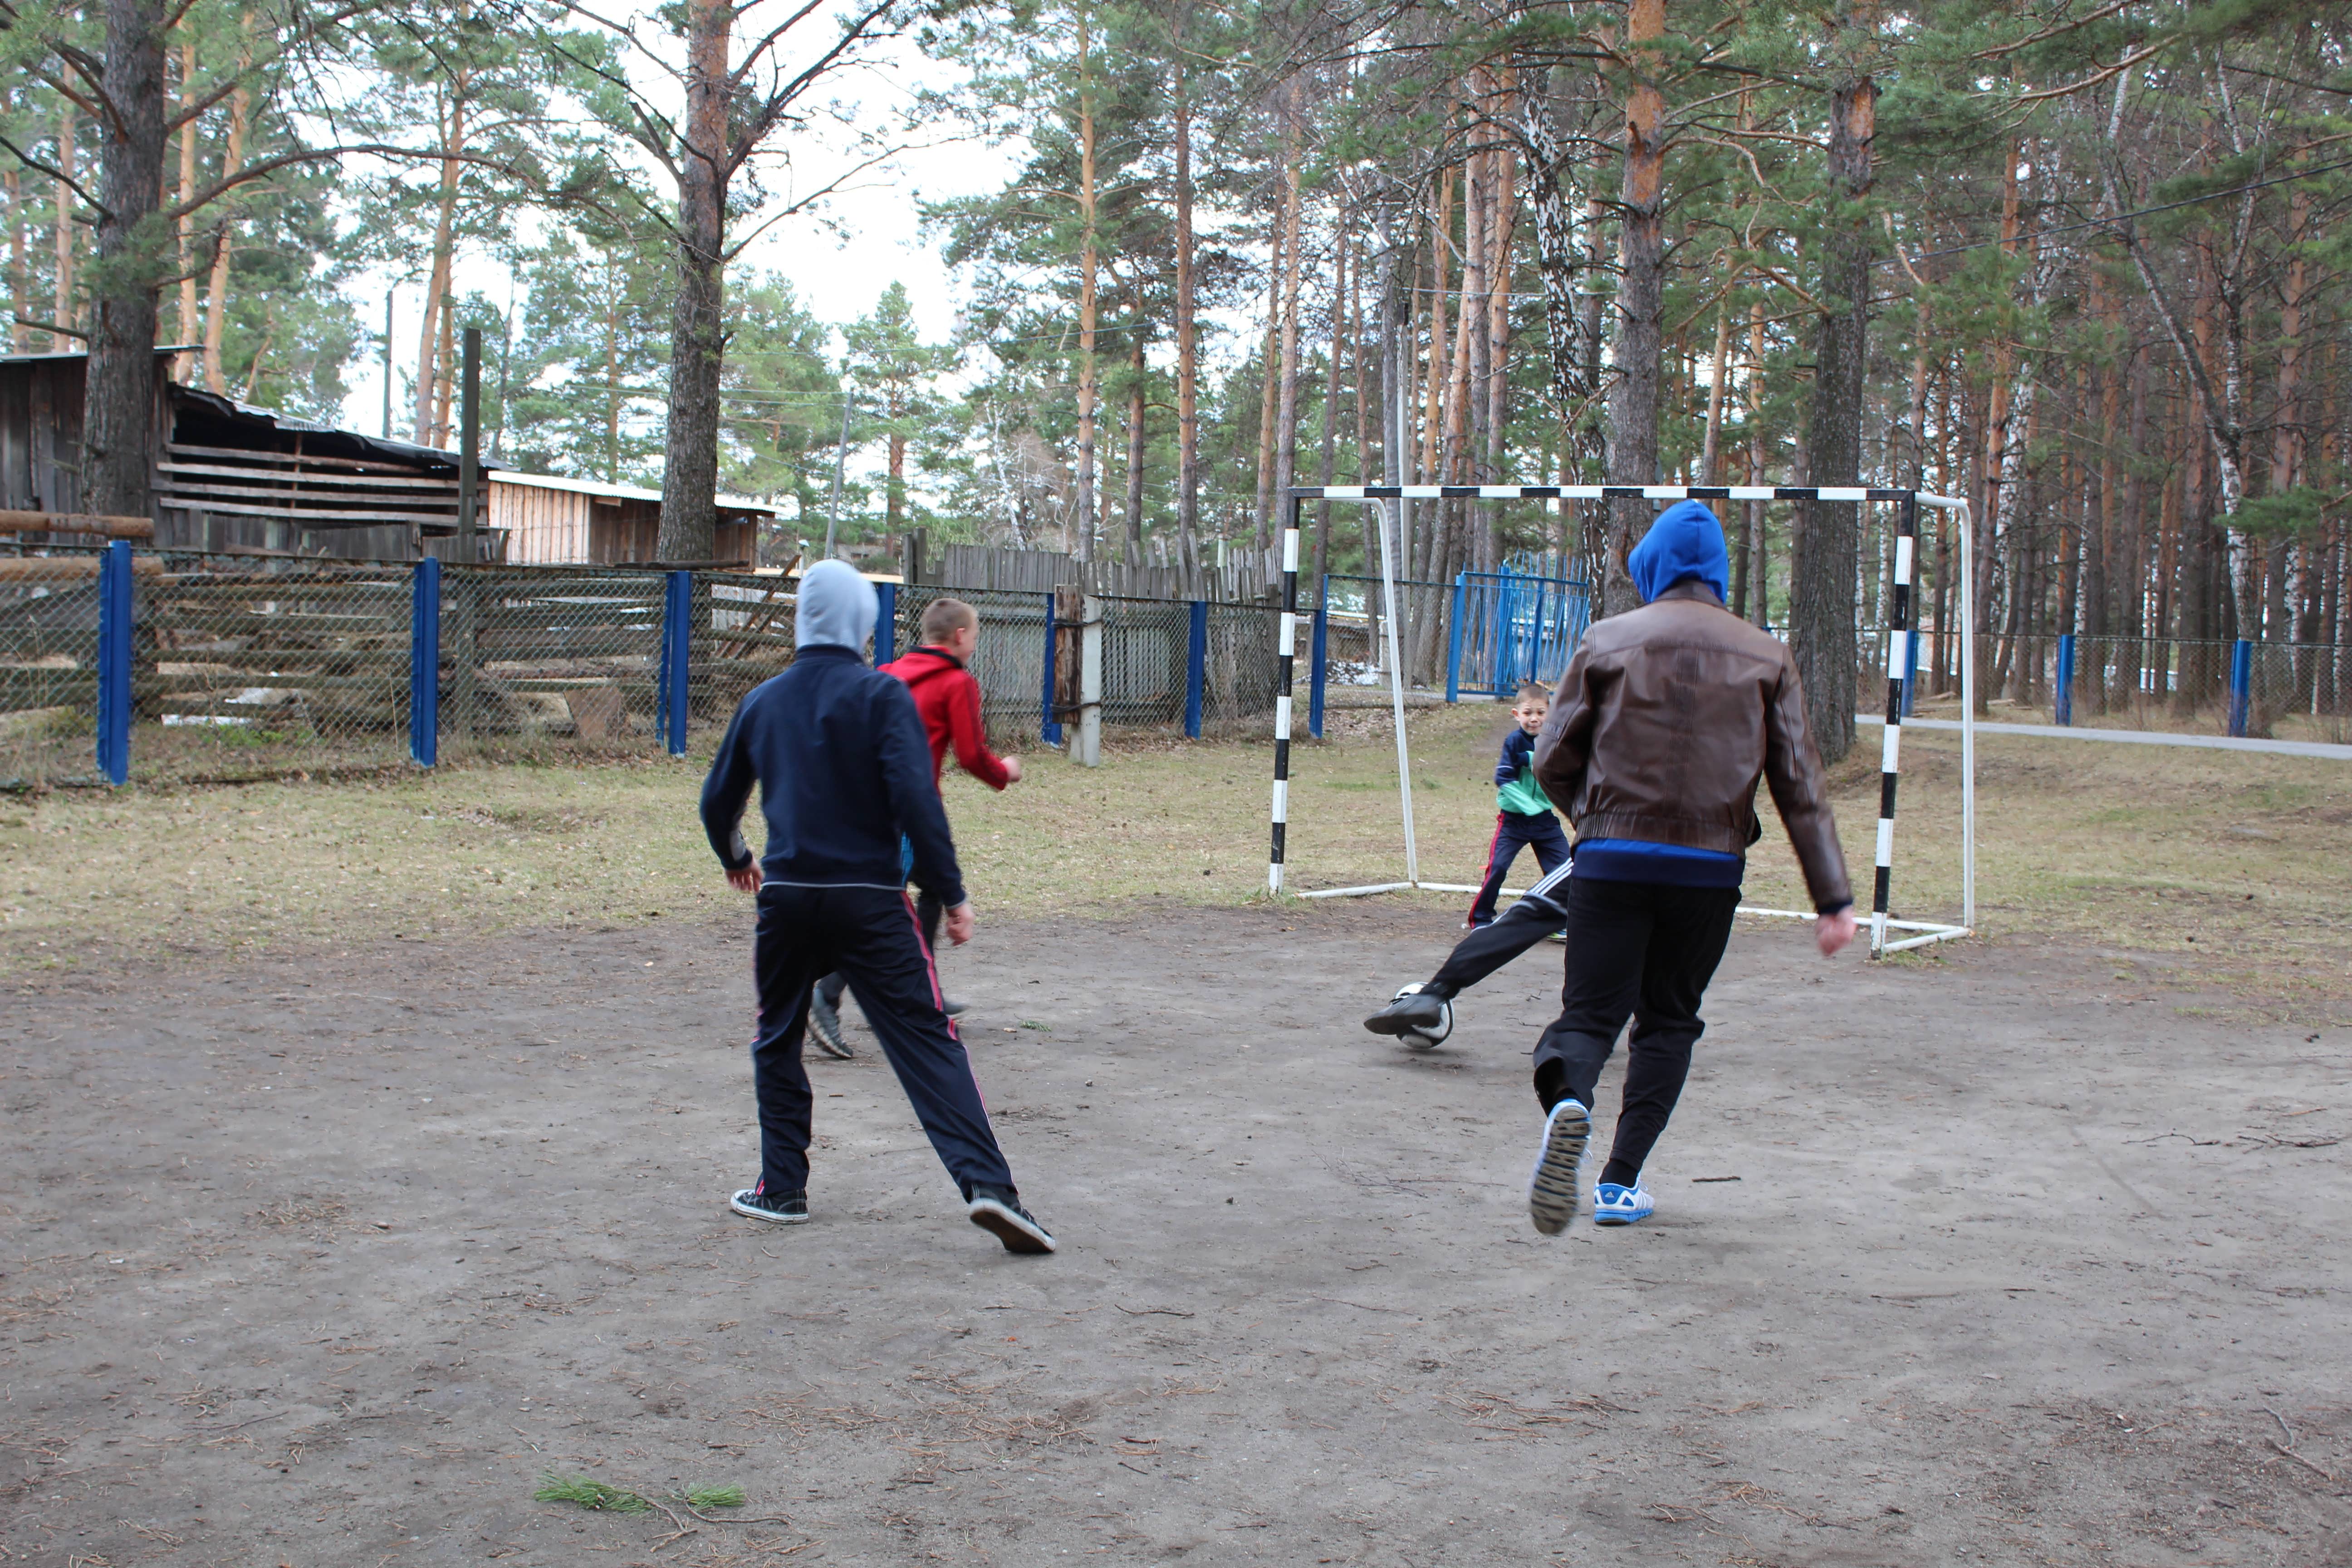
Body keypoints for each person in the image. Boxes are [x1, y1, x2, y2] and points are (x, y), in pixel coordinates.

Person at [1381, 500, 1857, 1235]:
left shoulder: (1605, 640)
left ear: (1651, 567)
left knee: (1588, 1017)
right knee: (1668, 1021)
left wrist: (1594, 825)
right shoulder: (1767, 655)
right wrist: (1831, 898)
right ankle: (1617, 1183)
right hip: (1708, 869)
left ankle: (1568, 1099)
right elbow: (1798, 782)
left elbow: (1551, 756)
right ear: (1719, 573)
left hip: (1609, 858)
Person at [700, 560, 1054, 1254]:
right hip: (871, 899)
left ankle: (782, 1189)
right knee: (925, 1040)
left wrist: (739, 858)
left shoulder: (762, 700)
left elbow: (718, 801)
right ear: (864, 624)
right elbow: (917, 802)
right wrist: (951, 893)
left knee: (777, 1036)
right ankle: (989, 1190)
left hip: (790, 899)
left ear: (803, 618)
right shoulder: (880, 694)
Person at [807, 596, 1024, 1059]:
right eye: (975, 638)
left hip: (864, 806)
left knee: (929, 887)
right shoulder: (956, 683)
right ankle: (824, 994)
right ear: (961, 636)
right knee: (881, 908)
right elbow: (970, 755)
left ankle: (923, 991)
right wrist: (1005, 771)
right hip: (910, 812)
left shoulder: (886, 674)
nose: (973, 647)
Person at [1465, 681, 1573, 929]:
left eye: (1541, 713)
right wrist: (1529, 804)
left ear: (1550, 713)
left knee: (1565, 872)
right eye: (1528, 713)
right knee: (1498, 868)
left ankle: (1560, 923)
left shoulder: (1556, 741)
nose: (1534, 719)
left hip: (1546, 822)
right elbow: (1503, 778)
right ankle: (1480, 920)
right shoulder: (1514, 742)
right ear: (1517, 715)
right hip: (1513, 822)